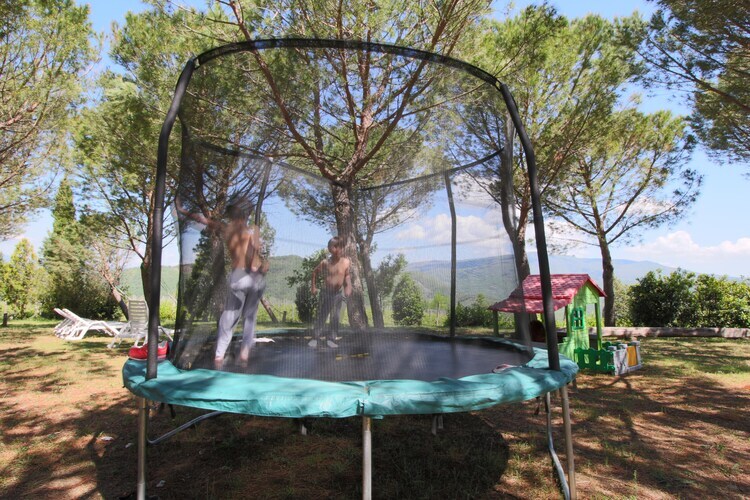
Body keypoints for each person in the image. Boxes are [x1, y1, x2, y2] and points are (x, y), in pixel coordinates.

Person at [175, 195, 269, 368]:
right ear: (247, 214)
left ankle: (219, 355)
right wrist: (258, 265)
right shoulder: (253, 229)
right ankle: (244, 354)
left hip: (238, 276)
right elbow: (255, 251)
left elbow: (202, 220)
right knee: (250, 318)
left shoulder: (226, 228)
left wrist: (182, 210)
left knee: (229, 317)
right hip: (254, 278)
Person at [309, 236, 352, 348]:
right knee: (322, 316)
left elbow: (347, 276)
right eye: (332, 247)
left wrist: (348, 287)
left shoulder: (346, 262)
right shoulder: (325, 262)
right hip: (326, 293)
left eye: (341, 247)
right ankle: (315, 338)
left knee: (335, 317)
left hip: (337, 294)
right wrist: (313, 287)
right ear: (332, 249)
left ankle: (331, 339)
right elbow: (314, 273)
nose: (340, 249)